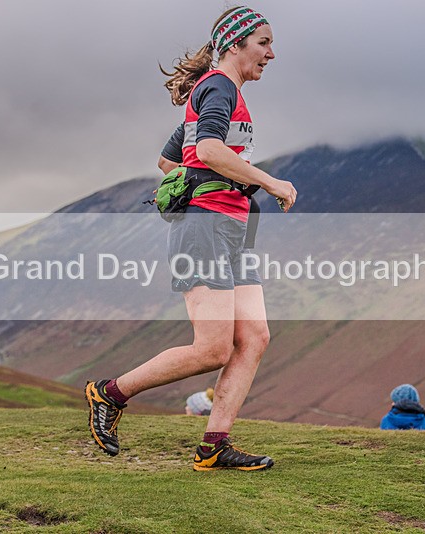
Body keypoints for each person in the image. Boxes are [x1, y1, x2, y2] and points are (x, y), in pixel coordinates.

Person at [85, 6, 297, 471]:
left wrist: (216, 180)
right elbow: (207, 150)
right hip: (204, 229)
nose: (271, 53)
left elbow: (170, 160)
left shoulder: (222, 92)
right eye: (263, 42)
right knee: (213, 349)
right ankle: (109, 392)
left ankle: (214, 445)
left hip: (232, 228)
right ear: (236, 43)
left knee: (255, 337)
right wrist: (267, 181)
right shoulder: (218, 86)